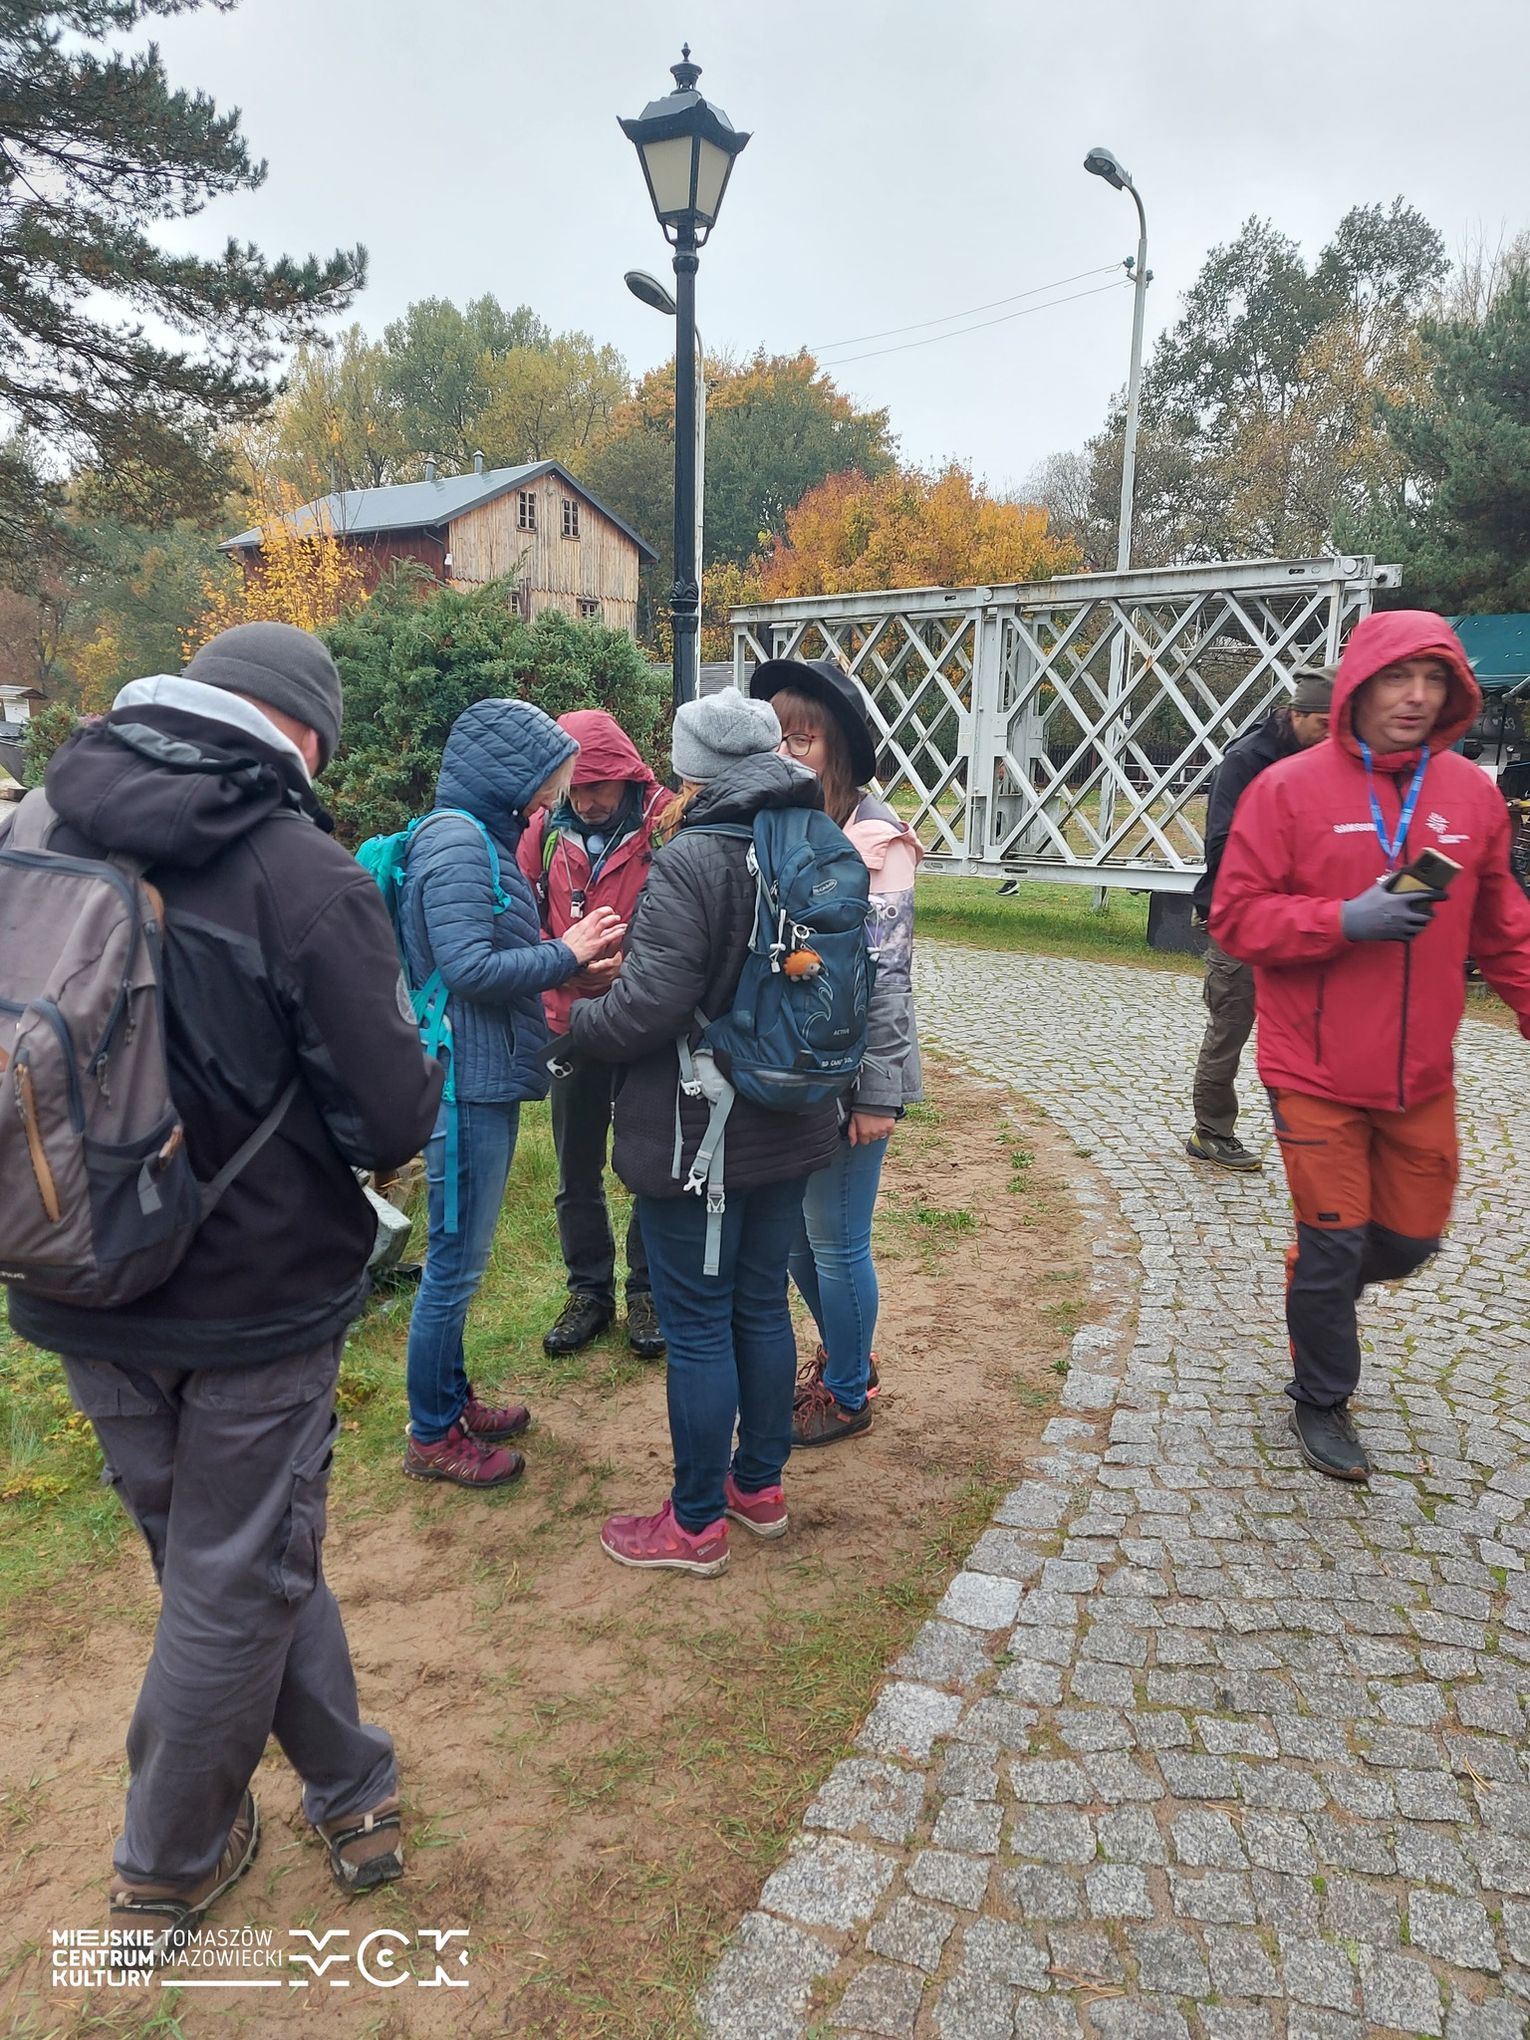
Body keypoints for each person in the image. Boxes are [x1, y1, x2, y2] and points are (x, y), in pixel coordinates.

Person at [2, 624, 445, 1947]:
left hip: (72, 1263)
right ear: (298, 734)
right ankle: (167, 1862)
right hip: (251, 1294)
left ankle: (350, 1780)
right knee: (234, 1575)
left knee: (220, 1563)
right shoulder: (300, 872)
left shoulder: (39, 820)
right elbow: (389, 1116)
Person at [1213, 610, 1530, 1483]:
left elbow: (1505, 929)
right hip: (1312, 1071)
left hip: (1420, 1076)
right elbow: (1236, 917)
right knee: (1333, 1245)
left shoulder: (1471, 796)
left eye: (1434, 681)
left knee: (1411, 1241)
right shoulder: (1286, 789)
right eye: (1398, 678)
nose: (1416, 697)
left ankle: (1320, 1277)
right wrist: (1342, 919)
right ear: (1358, 686)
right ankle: (1321, 1397)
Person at [565, 689, 840, 1575]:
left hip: (702, 1129)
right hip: (793, 1113)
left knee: (697, 1326)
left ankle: (693, 1524)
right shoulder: (815, 839)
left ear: (692, 771)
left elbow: (650, 1008)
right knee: (760, 1304)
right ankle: (757, 1488)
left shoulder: (695, 858)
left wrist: (577, 1022)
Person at [399, 699, 624, 1490]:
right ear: (508, 773)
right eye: (548, 781)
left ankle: (451, 1400)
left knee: (460, 1259)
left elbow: (490, 952)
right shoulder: (459, 843)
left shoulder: (479, 838)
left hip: (477, 1073)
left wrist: (568, 967)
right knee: (454, 1266)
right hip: (462, 1083)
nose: (552, 799)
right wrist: (566, 951)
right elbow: (468, 969)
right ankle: (432, 1434)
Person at [748, 658, 923, 1446]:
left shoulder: (877, 841)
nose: (786, 754)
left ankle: (848, 1393)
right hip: (795, 1074)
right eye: (777, 738)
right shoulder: (786, 826)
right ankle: (849, 1353)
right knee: (792, 1240)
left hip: (854, 1079)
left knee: (836, 1239)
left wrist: (879, 1091)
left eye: (803, 739)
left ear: (838, 747)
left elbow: (889, 978)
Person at [518, 711, 668, 1362]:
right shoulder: (541, 830)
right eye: (575, 788)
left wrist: (634, 968)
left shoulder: (666, 824)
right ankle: (588, 1293)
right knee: (576, 1167)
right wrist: (562, 962)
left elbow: (690, 917)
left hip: (645, 1022)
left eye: (598, 787)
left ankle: (648, 1293)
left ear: (627, 775)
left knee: (650, 1164)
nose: (585, 801)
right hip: (572, 1021)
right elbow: (515, 916)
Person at [1185, 665, 1333, 1172]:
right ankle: (1211, 1132)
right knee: (1231, 1026)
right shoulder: (1246, 761)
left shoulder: (1326, 761)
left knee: (1306, 1025)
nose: (1331, 737)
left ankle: (1317, 1130)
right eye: (1323, 725)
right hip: (1239, 916)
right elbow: (1222, 847)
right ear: (1296, 714)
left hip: (1298, 917)